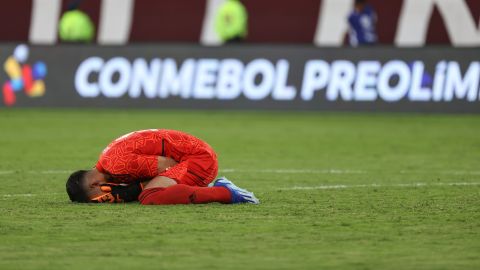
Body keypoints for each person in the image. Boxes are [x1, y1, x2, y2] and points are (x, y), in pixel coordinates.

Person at [66, 129, 259, 205]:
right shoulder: (107, 161)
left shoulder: (117, 166)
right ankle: (206, 188)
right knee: (149, 191)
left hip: (198, 160)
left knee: (151, 197)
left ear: (93, 185)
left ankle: (226, 193)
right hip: (195, 152)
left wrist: (135, 190)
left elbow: (168, 165)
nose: (104, 199)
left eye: (99, 197)